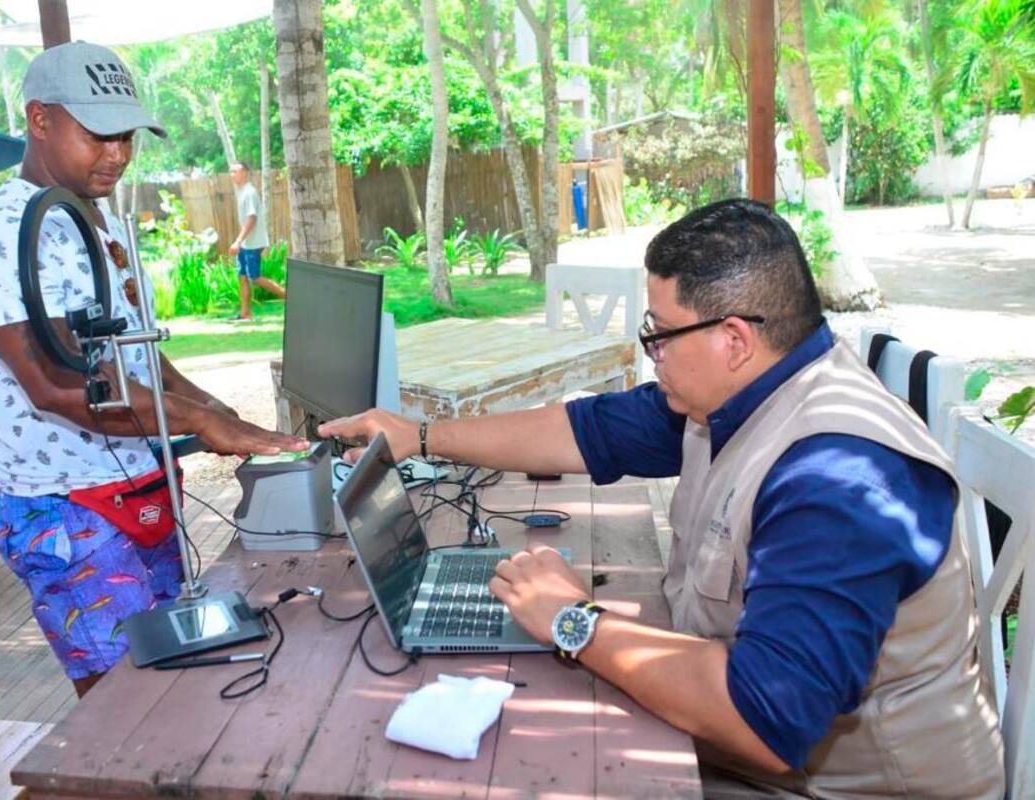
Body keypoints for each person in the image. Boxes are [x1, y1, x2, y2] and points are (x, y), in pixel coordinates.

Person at [320, 199, 1004, 798]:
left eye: (659, 334)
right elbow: (586, 431)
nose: (651, 353)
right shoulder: (741, 394)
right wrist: (421, 436)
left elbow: (767, 720)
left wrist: (574, 622)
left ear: (734, 338)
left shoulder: (838, 481)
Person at [0, 42, 307, 698]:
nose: (116, 153)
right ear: (39, 119)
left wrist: (225, 418)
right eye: (98, 134)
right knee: (124, 706)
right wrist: (201, 424)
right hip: (68, 510)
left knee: (177, 682)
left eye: (127, 137)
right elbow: (60, 384)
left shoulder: (94, 212)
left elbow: (136, 350)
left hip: (137, 484)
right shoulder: (2, 235)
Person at [226, 161, 284, 321]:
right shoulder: (242, 192)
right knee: (242, 276)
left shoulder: (249, 192)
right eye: (231, 172)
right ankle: (245, 314)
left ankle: (289, 296)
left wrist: (237, 241)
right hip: (246, 243)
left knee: (255, 277)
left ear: (245, 173)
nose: (232, 175)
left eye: (235, 171)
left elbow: (252, 218)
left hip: (253, 243)